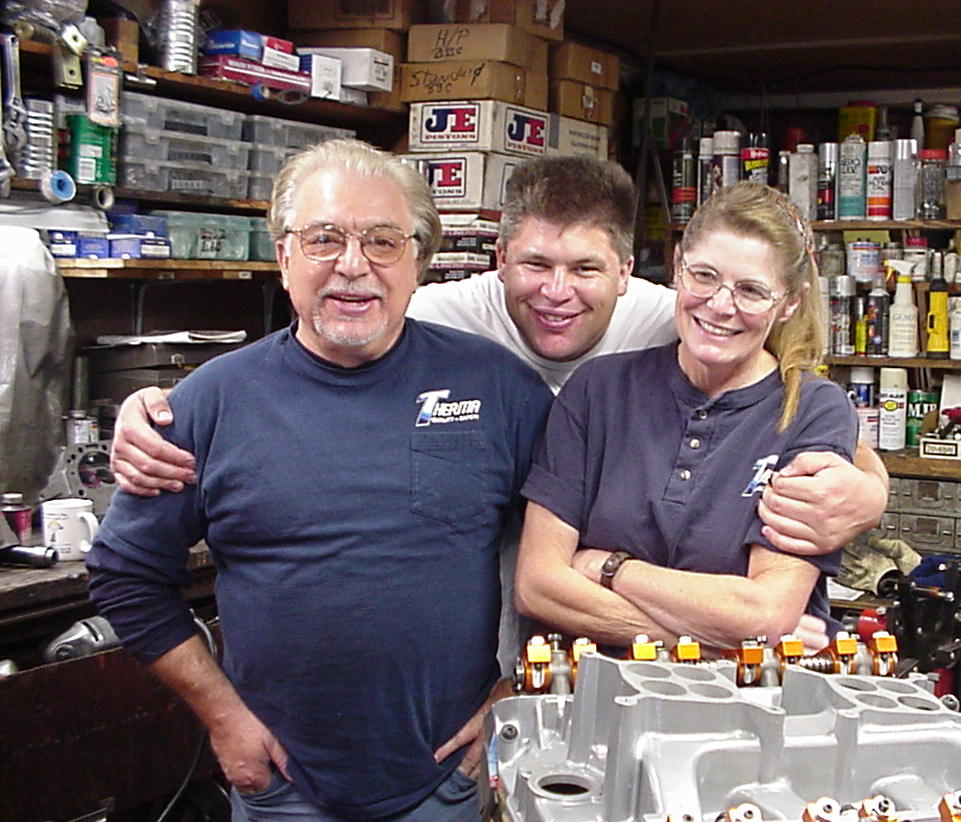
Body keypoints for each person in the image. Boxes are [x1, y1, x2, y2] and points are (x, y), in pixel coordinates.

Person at [85, 139, 553, 822]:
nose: (353, 265)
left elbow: (570, 549)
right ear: (283, 257)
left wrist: (515, 692)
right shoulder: (209, 403)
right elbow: (124, 574)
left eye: (382, 241)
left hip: (446, 784)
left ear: (421, 261)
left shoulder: (499, 389)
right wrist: (223, 716)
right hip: (284, 799)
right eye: (324, 238)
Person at [105, 157, 889, 567]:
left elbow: (790, 388)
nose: (556, 293)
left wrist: (870, 491)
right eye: (535, 265)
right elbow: (319, 334)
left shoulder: (677, 319)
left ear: (628, 272)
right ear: (498, 258)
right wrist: (161, 407)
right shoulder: (437, 315)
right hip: (501, 591)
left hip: (594, 604)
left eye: (585, 270)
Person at [516, 182, 855, 648]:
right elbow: (537, 586)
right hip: (594, 700)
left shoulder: (812, 410)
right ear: (677, 267)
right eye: (704, 276)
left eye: (752, 291)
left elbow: (765, 612)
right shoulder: (599, 390)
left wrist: (609, 568)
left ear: (789, 303)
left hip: (746, 711)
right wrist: (710, 641)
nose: (720, 305)